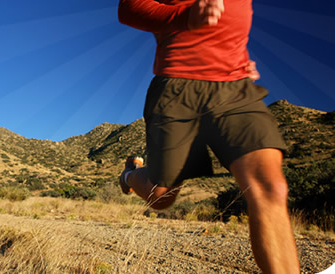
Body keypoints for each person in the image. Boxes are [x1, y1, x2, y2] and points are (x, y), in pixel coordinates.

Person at [117, 0, 300, 273]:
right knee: (162, 196)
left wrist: (235, 55)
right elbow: (129, 7)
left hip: (234, 87)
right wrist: (186, 15)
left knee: (270, 187)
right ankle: (131, 174)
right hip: (177, 85)